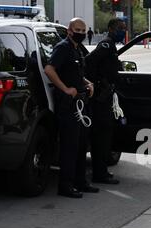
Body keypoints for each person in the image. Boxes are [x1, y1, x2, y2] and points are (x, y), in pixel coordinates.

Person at [45, 17, 100, 199]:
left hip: (81, 103)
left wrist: (87, 83)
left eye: (84, 31)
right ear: (69, 30)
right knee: (70, 145)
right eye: (78, 30)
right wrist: (65, 89)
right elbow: (50, 70)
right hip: (68, 105)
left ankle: (80, 181)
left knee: (82, 144)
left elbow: (76, 74)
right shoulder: (63, 48)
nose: (81, 34)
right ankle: (66, 185)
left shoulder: (77, 50)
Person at [84, 18, 127, 185]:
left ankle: (101, 171)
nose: (122, 31)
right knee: (101, 137)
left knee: (104, 136)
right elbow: (89, 61)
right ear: (110, 29)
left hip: (106, 97)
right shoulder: (106, 45)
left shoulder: (112, 46)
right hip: (100, 99)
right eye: (119, 28)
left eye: (124, 28)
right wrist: (97, 83)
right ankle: (99, 174)